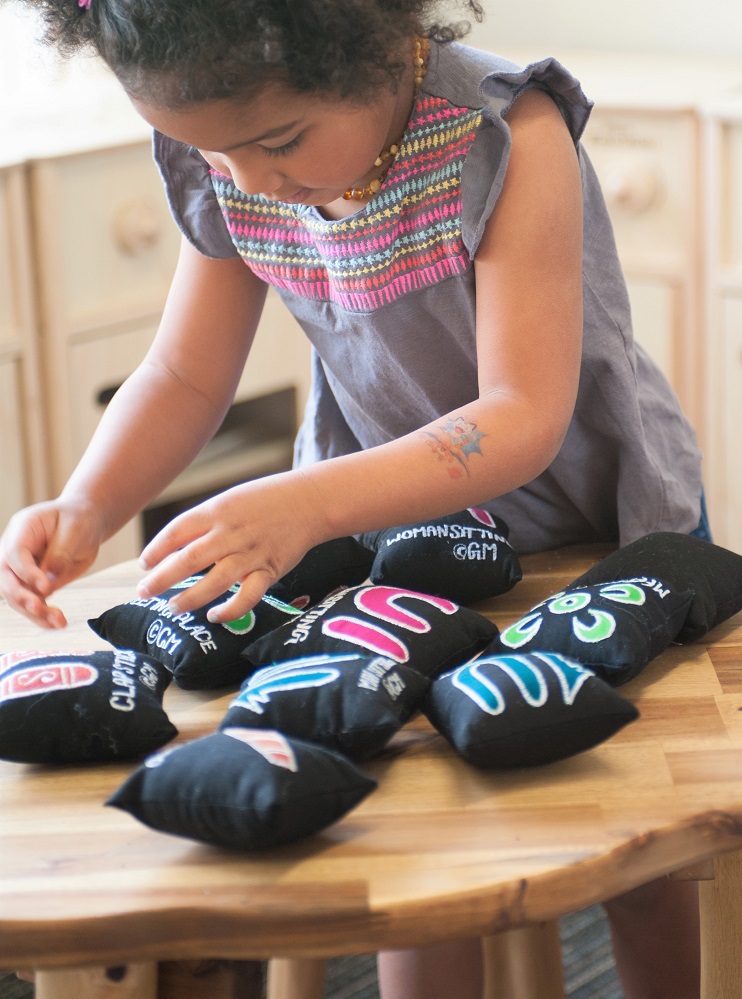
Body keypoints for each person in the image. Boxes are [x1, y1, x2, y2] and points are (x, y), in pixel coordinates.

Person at [0, 1, 705, 996]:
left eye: (279, 141)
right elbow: (185, 375)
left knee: (642, 847)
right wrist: (87, 500)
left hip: (594, 539)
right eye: (210, 152)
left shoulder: (507, 134)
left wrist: (306, 503)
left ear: (374, 41)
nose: (247, 179)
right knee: (413, 849)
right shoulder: (230, 160)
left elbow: (520, 415)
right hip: (397, 544)